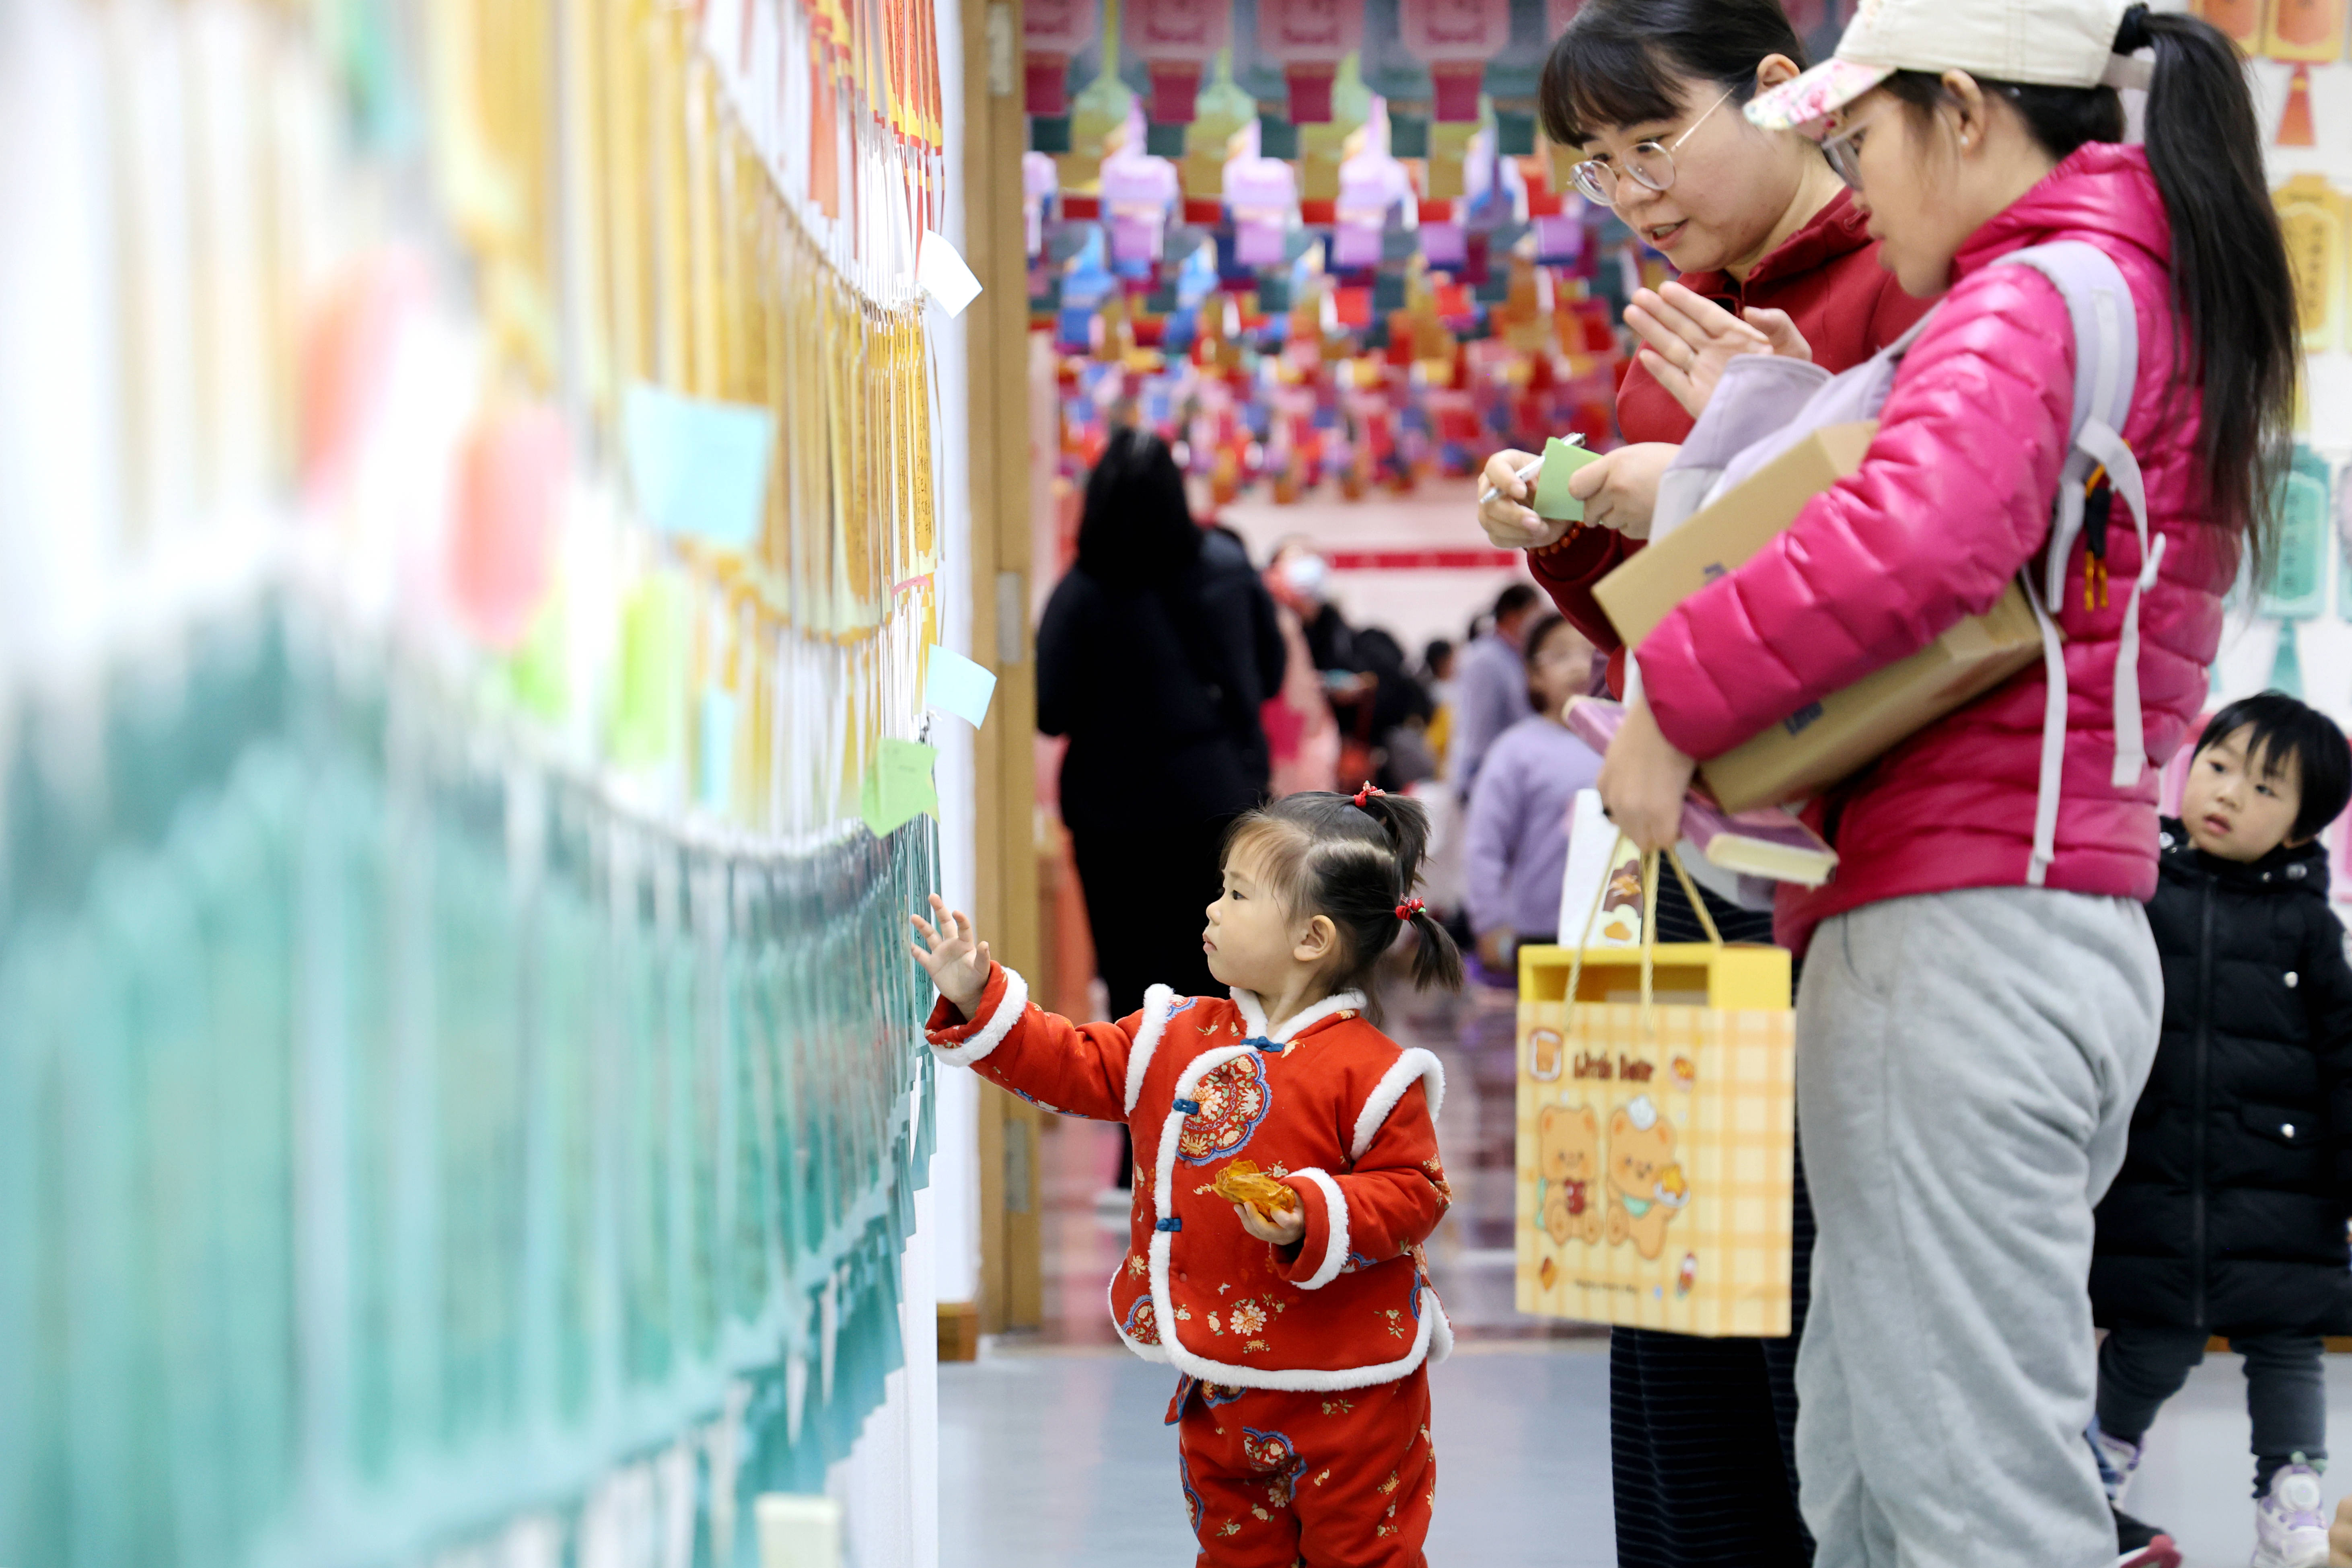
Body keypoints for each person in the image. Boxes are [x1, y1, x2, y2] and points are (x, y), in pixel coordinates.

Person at [1586, 0, 2298, 1563]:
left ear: (1962, 114)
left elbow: (1906, 539)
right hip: (2025, 921)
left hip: (1960, 937)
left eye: (1863, 139)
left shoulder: (2033, 298)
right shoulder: (2125, 289)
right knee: (1873, 1457)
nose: (1857, 182)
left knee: (1969, 1494)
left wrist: (1674, 698)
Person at [1477, 0, 1936, 1558]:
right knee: (1661, 1282)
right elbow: (1661, 604)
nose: (1635, 190)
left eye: (1654, 141)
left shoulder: (1900, 275)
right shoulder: (1684, 308)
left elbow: (1892, 567)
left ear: (1779, 92)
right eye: (1597, 166)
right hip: (1672, 850)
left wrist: (1744, 451)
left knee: (1804, 1315)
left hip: (1829, 860)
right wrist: (1572, 533)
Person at [908, 789, 1466, 1568]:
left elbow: (1415, 1191)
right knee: (1234, 1554)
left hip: (1356, 1390)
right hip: (1222, 1383)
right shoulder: (1173, 1034)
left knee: (1364, 1557)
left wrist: (1315, 1209)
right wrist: (979, 995)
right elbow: (1070, 1062)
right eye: (1221, 886)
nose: (1212, 907)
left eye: (1237, 894)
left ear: (1312, 937)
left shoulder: (1376, 1072)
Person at [2089, 695, 2352, 1568]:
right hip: (2153, 1181)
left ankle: (2292, 1502)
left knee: (2287, 1342)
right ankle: (2091, 1473)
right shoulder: (2139, 888)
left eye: (2264, 785)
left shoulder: (2309, 928)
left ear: (2295, 830)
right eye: (2218, 764)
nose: (2229, 791)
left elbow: (2346, 1062)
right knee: (2148, 1338)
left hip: (2282, 1187)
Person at [1037, 427, 1284, 1018]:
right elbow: (1269, 676)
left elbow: (1050, 712)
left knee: (1132, 983)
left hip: (1111, 817)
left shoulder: (1079, 592)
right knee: (1220, 977)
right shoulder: (1227, 570)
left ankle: (1144, 1107)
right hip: (1218, 803)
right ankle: (1219, 1105)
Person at [1463, 616, 1604, 976]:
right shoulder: (1516, 751)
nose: (1577, 665)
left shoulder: (1623, 743)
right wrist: (1490, 922)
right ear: (1533, 675)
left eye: (1589, 652)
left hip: (1616, 924)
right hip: (1539, 929)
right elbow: (1485, 844)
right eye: (1559, 656)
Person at [1449, 583, 1543, 798]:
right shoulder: (1486, 659)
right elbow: (1480, 728)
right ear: (1513, 618)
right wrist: (1481, 780)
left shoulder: (1514, 655)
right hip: (1485, 776)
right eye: (1535, 616)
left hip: (1507, 772)